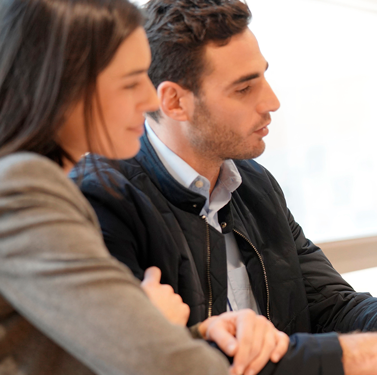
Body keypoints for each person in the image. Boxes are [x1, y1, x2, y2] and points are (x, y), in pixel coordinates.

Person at [74, 0, 377, 374]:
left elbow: (330, 304)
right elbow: (173, 359)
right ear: (175, 102)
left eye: (264, 76)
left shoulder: (254, 182)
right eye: (244, 88)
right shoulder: (102, 198)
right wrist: (367, 356)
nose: (273, 101)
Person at [0, 0, 295, 374]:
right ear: (63, 87)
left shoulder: (255, 182)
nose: (148, 100)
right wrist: (157, 327)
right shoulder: (25, 186)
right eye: (131, 80)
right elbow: (159, 364)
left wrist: (189, 333)